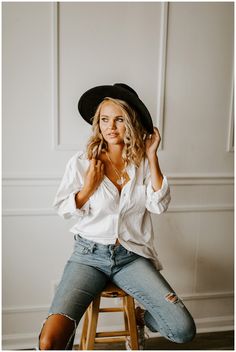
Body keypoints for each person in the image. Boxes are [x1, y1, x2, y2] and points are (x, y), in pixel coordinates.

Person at [39, 83, 196, 350]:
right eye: (104, 119)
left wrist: (152, 155)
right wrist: (88, 187)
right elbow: (63, 209)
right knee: (49, 341)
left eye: (119, 119)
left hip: (131, 258)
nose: (110, 126)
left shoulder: (143, 164)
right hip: (88, 256)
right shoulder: (82, 162)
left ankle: (141, 318)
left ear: (131, 122)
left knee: (183, 330)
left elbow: (158, 205)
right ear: (97, 124)